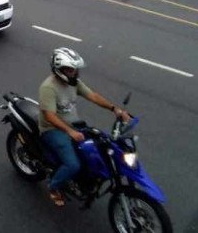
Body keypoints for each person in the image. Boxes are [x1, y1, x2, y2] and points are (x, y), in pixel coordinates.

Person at [38, 48, 131, 207]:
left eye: (75, 70)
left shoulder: (74, 82)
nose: (74, 73)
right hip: (53, 130)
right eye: (69, 69)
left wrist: (115, 109)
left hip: (74, 126)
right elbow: (50, 116)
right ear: (59, 69)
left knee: (100, 148)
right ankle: (54, 186)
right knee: (73, 164)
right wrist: (70, 131)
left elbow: (92, 95)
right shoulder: (48, 87)